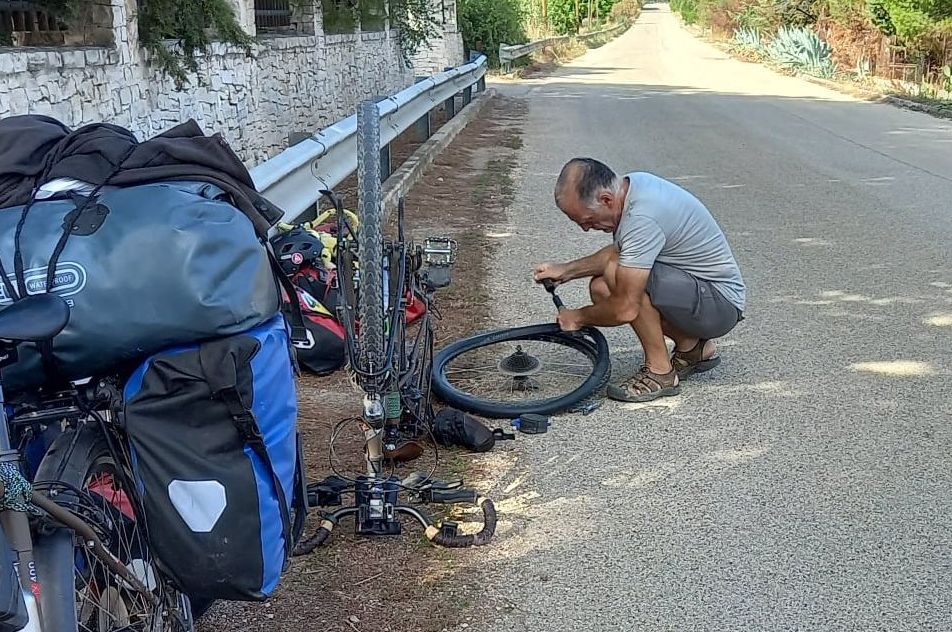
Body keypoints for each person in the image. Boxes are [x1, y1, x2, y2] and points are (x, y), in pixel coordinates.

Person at [533, 158, 746, 403]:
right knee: (602, 286)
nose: (585, 229)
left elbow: (625, 308)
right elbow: (619, 251)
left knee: (618, 278)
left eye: (588, 221)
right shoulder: (631, 188)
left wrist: (578, 317)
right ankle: (692, 348)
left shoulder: (642, 216)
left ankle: (660, 372)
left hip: (719, 305)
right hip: (702, 295)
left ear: (606, 199)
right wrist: (565, 271)